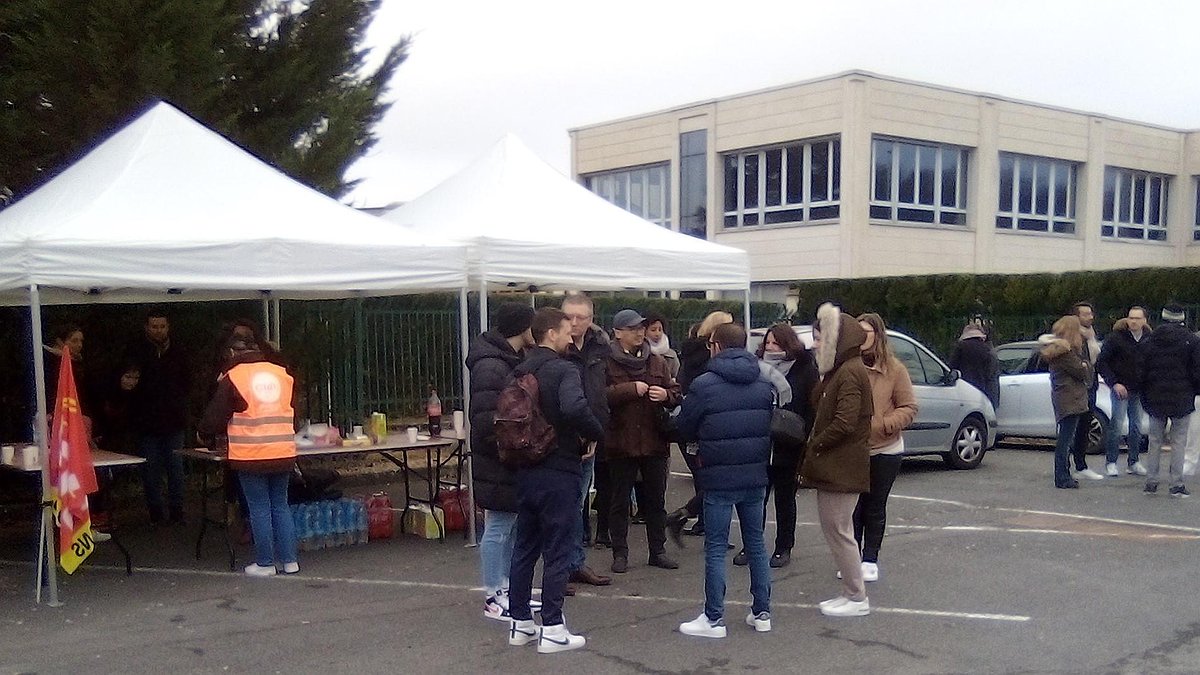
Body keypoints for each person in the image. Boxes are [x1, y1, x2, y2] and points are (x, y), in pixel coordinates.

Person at [507, 308, 605, 654]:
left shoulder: (520, 370)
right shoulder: (565, 369)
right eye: (566, 330)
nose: (571, 335)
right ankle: (553, 627)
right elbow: (575, 407)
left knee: (525, 547)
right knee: (558, 550)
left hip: (525, 468)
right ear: (551, 334)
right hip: (558, 467)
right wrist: (595, 433)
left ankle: (520, 622)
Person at [674, 322, 774, 638]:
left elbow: (685, 426)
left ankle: (714, 618)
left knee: (716, 547)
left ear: (715, 346)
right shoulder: (762, 381)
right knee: (756, 544)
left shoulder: (704, 384)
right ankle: (762, 612)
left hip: (718, 475)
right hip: (755, 473)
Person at [198, 336, 299, 577]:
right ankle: (290, 561)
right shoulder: (281, 374)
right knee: (280, 506)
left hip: (251, 453)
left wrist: (204, 434)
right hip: (283, 450)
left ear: (232, 353)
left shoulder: (234, 376)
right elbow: (293, 413)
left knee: (259, 508)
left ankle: (265, 563)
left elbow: (214, 418)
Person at [800, 303, 873, 617]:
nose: (815, 344)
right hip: (837, 465)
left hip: (841, 467)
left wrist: (815, 444)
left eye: (820, 339)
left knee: (839, 531)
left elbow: (844, 421)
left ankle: (856, 597)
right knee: (838, 530)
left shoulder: (850, 372)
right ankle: (852, 593)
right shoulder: (841, 371)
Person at [465, 302, 536, 621]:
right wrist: (510, 445)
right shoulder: (492, 366)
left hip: (509, 456)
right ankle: (493, 593)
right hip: (498, 458)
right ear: (522, 328)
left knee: (510, 525)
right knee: (498, 526)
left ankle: (508, 588)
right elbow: (484, 419)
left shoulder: (510, 359)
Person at [604, 309, 681, 574]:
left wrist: (667, 395)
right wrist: (629, 389)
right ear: (617, 333)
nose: (639, 333)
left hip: (653, 440)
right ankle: (620, 553)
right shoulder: (606, 362)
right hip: (620, 440)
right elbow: (599, 396)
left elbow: (675, 390)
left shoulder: (657, 361)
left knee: (655, 500)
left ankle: (657, 551)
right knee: (619, 500)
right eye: (632, 329)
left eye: (641, 328)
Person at [852, 313, 918, 582]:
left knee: (875, 505)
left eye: (866, 332)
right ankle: (851, 556)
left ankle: (870, 558)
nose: (861, 337)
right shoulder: (847, 366)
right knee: (852, 507)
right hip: (853, 450)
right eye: (857, 332)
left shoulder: (894, 369)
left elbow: (909, 407)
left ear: (877, 335)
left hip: (885, 449)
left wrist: (884, 424)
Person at [752, 324, 817, 569]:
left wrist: (803, 438)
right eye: (767, 343)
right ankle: (752, 546)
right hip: (760, 442)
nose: (770, 348)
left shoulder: (804, 370)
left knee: (784, 499)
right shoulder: (756, 367)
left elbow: (810, 408)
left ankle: (783, 546)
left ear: (788, 345)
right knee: (756, 500)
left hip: (788, 443)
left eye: (776, 343)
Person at [559, 293, 612, 589]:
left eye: (581, 317)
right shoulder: (555, 348)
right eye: (570, 316)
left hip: (591, 436)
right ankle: (560, 567)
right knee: (563, 506)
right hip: (563, 438)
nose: (575, 322)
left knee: (578, 504)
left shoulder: (601, 347)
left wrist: (596, 433)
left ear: (592, 319)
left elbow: (602, 390)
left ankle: (574, 563)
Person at [667, 311, 734, 541]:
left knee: (703, 477)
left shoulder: (689, 354)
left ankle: (699, 520)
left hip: (691, 423)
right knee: (716, 480)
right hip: (709, 424)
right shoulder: (711, 362)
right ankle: (700, 520)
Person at [126, 309, 192, 525]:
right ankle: (155, 511)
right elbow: (127, 380)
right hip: (146, 421)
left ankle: (177, 511)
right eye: (154, 326)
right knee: (150, 469)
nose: (158, 330)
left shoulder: (180, 350)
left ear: (168, 327)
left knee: (175, 467)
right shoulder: (136, 350)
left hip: (174, 420)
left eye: (162, 326)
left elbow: (187, 382)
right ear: (147, 327)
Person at [1139, 304, 1200, 497]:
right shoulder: (1191, 341)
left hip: (1155, 396)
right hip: (1182, 396)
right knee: (1179, 441)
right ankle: (1176, 483)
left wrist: (1145, 394)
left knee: (1155, 440)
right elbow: (1196, 370)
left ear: (1163, 318)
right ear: (1182, 318)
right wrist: (1194, 391)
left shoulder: (1150, 340)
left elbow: (1142, 370)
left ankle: (1151, 481)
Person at [1039, 316, 1093, 489]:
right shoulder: (1066, 353)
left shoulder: (1058, 351)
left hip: (1064, 396)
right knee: (1065, 440)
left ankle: (1064, 474)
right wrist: (1085, 365)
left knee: (1065, 437)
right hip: (1071, 398)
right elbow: (1082, 371)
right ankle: (1062, 476)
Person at [1096, 306, 1151, 477]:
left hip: (1139, 389)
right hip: (1120, 388)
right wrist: (1114, 383)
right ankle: (1111, 462)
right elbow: (1102, 363)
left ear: (1144, 321)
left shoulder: (1149, 339)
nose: (1133, 321)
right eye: (1131, 317)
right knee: (1117, 424)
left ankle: (1133, 462)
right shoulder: (1115, 339)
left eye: (1137, 318)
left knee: (1136, 426)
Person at [1068, 302, 1105, 481]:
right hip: (1077, 388)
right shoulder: (1072, 337)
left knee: (1085, 426)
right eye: (1086, 314)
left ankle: (1081, 464)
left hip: (1090, 386)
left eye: (1091, 314)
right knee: (1072, 428)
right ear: (1077, 317)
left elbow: (1096, 360)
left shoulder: (1091, 335)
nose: (1090, 317)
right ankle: (1069, 466)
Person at [949, 322, 1000, 409]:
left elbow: (952, 366)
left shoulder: (961, 347)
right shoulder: (987, 348)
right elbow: (992, 374)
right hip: (983, 390)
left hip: (965, 388)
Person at [645, 312, 680, 379]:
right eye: (653, 330)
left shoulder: (671, 354)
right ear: (645, 331)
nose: (657, 333)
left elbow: (677, 377)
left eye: (660, 330)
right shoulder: (639, 353)